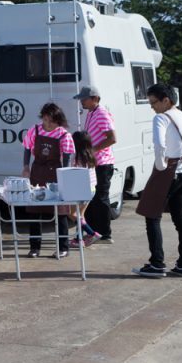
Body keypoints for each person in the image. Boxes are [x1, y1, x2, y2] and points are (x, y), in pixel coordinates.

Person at [133, 83, 182, 279]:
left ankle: (157, 264)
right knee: (180, 219)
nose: (152, 107)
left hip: (167, 171)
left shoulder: (161, 118)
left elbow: (160, 145)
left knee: (151, 216)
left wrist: (160, 166)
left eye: (153, 102)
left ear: (166, 100)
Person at [21, 102, 75, 259]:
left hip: (55, 175)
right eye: (45, 120)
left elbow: (66, 158)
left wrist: (63, 178)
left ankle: (63, 247)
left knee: (60, 212)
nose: (48, 124)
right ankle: (34, 248)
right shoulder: (35, 130)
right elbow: (26, 147)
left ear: (58, 121)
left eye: (51, 121)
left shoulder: (64, 135)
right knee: (34, 211)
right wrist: (26, 167)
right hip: (37, 172)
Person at [74, 85, 117, 245]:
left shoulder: (102, 114)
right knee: (91, 199)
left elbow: (112, 138)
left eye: (84, 99)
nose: (81, 102)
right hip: (93, 163)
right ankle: (92, 232)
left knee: (100, 198)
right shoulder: (91, 113)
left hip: (103, 163)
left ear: (95, 99)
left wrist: (92, 150)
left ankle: (105, 234)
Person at [70, 132, 102, 247]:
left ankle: (91, 233)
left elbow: (75, 176)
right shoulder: (90, 155)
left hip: (82, 190)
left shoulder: (77, 159)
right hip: (92, 189)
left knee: (72, 214)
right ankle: (79, 240)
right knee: (80, 216)